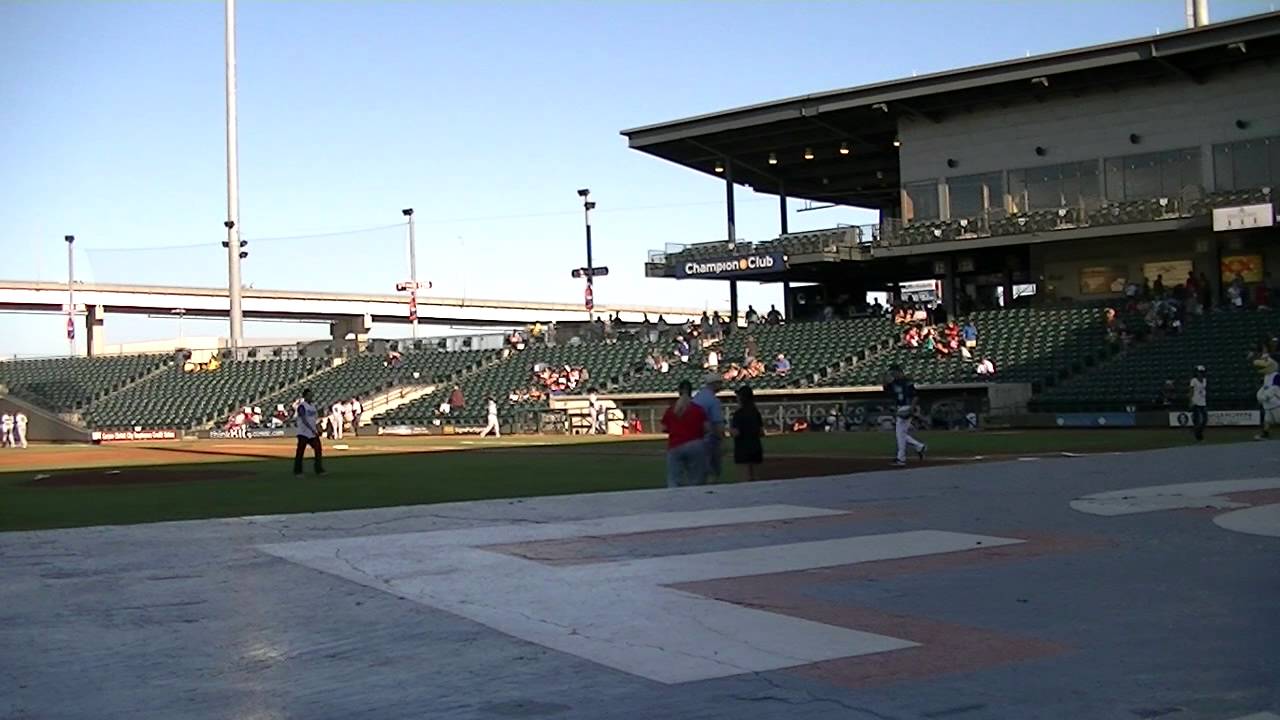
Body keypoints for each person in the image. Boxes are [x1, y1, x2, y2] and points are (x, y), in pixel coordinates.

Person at [661, 380, 709, 488]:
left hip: (675, 445)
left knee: (674, 481)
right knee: (697, 481)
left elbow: (664, 428)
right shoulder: (698, 409)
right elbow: (707, 428)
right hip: (695, 444)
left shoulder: (671, 410)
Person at [884, 365, 926, 466]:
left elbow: (915, 396)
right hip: (900, 408)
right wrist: (885, 377)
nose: (893, 376)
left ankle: (901, 458)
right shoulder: (894, 383)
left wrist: (912, 408)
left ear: (899, 372)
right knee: (901, 433)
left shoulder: (907, 382)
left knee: (900, 434)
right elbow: (885, 388)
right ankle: (919, 446)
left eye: (894, 373)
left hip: (906, 407)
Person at [692, 372, 725, 482]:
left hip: (694, 438)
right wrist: (722, 439)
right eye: (720, 383)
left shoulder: (697, 397)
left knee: (698, 472)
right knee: (712, 472)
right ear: (714, 384)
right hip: (709, 439)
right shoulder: (713, 400)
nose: (721, 385)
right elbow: (717, 424)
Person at [731, 386, 764, 482]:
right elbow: (761, 432)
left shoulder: (738, 414)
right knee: (757, 479)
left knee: (744, 480)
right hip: (756, 448)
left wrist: (728, 430)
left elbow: (736, 433)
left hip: (742, 450)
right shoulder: (755, 412)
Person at [293, 389, 325, 477]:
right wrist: (312, 429)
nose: (311, 397)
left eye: (312, 395)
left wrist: (318, 428)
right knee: (300, 452)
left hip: (312, 433)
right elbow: (303, 419)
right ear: (305, 396)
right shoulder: (302, 406)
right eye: (309, 395)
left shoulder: (313, 407)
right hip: (303, 433)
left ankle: (319, 469)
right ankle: (298, 471)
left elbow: (315, 419)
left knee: (318, 450)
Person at [1188, 365, 1208, 442]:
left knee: (1205, 420)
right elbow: (1191, 391)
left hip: (1203, 402)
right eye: (1199, 372)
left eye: (1202, 372)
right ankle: (1198, 437)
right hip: (1195, 402)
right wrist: (1190, 401)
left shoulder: (1205, 380)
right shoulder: (1193, 380)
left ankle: (1197, 432)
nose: (1200, 374)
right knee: (1197, 420)